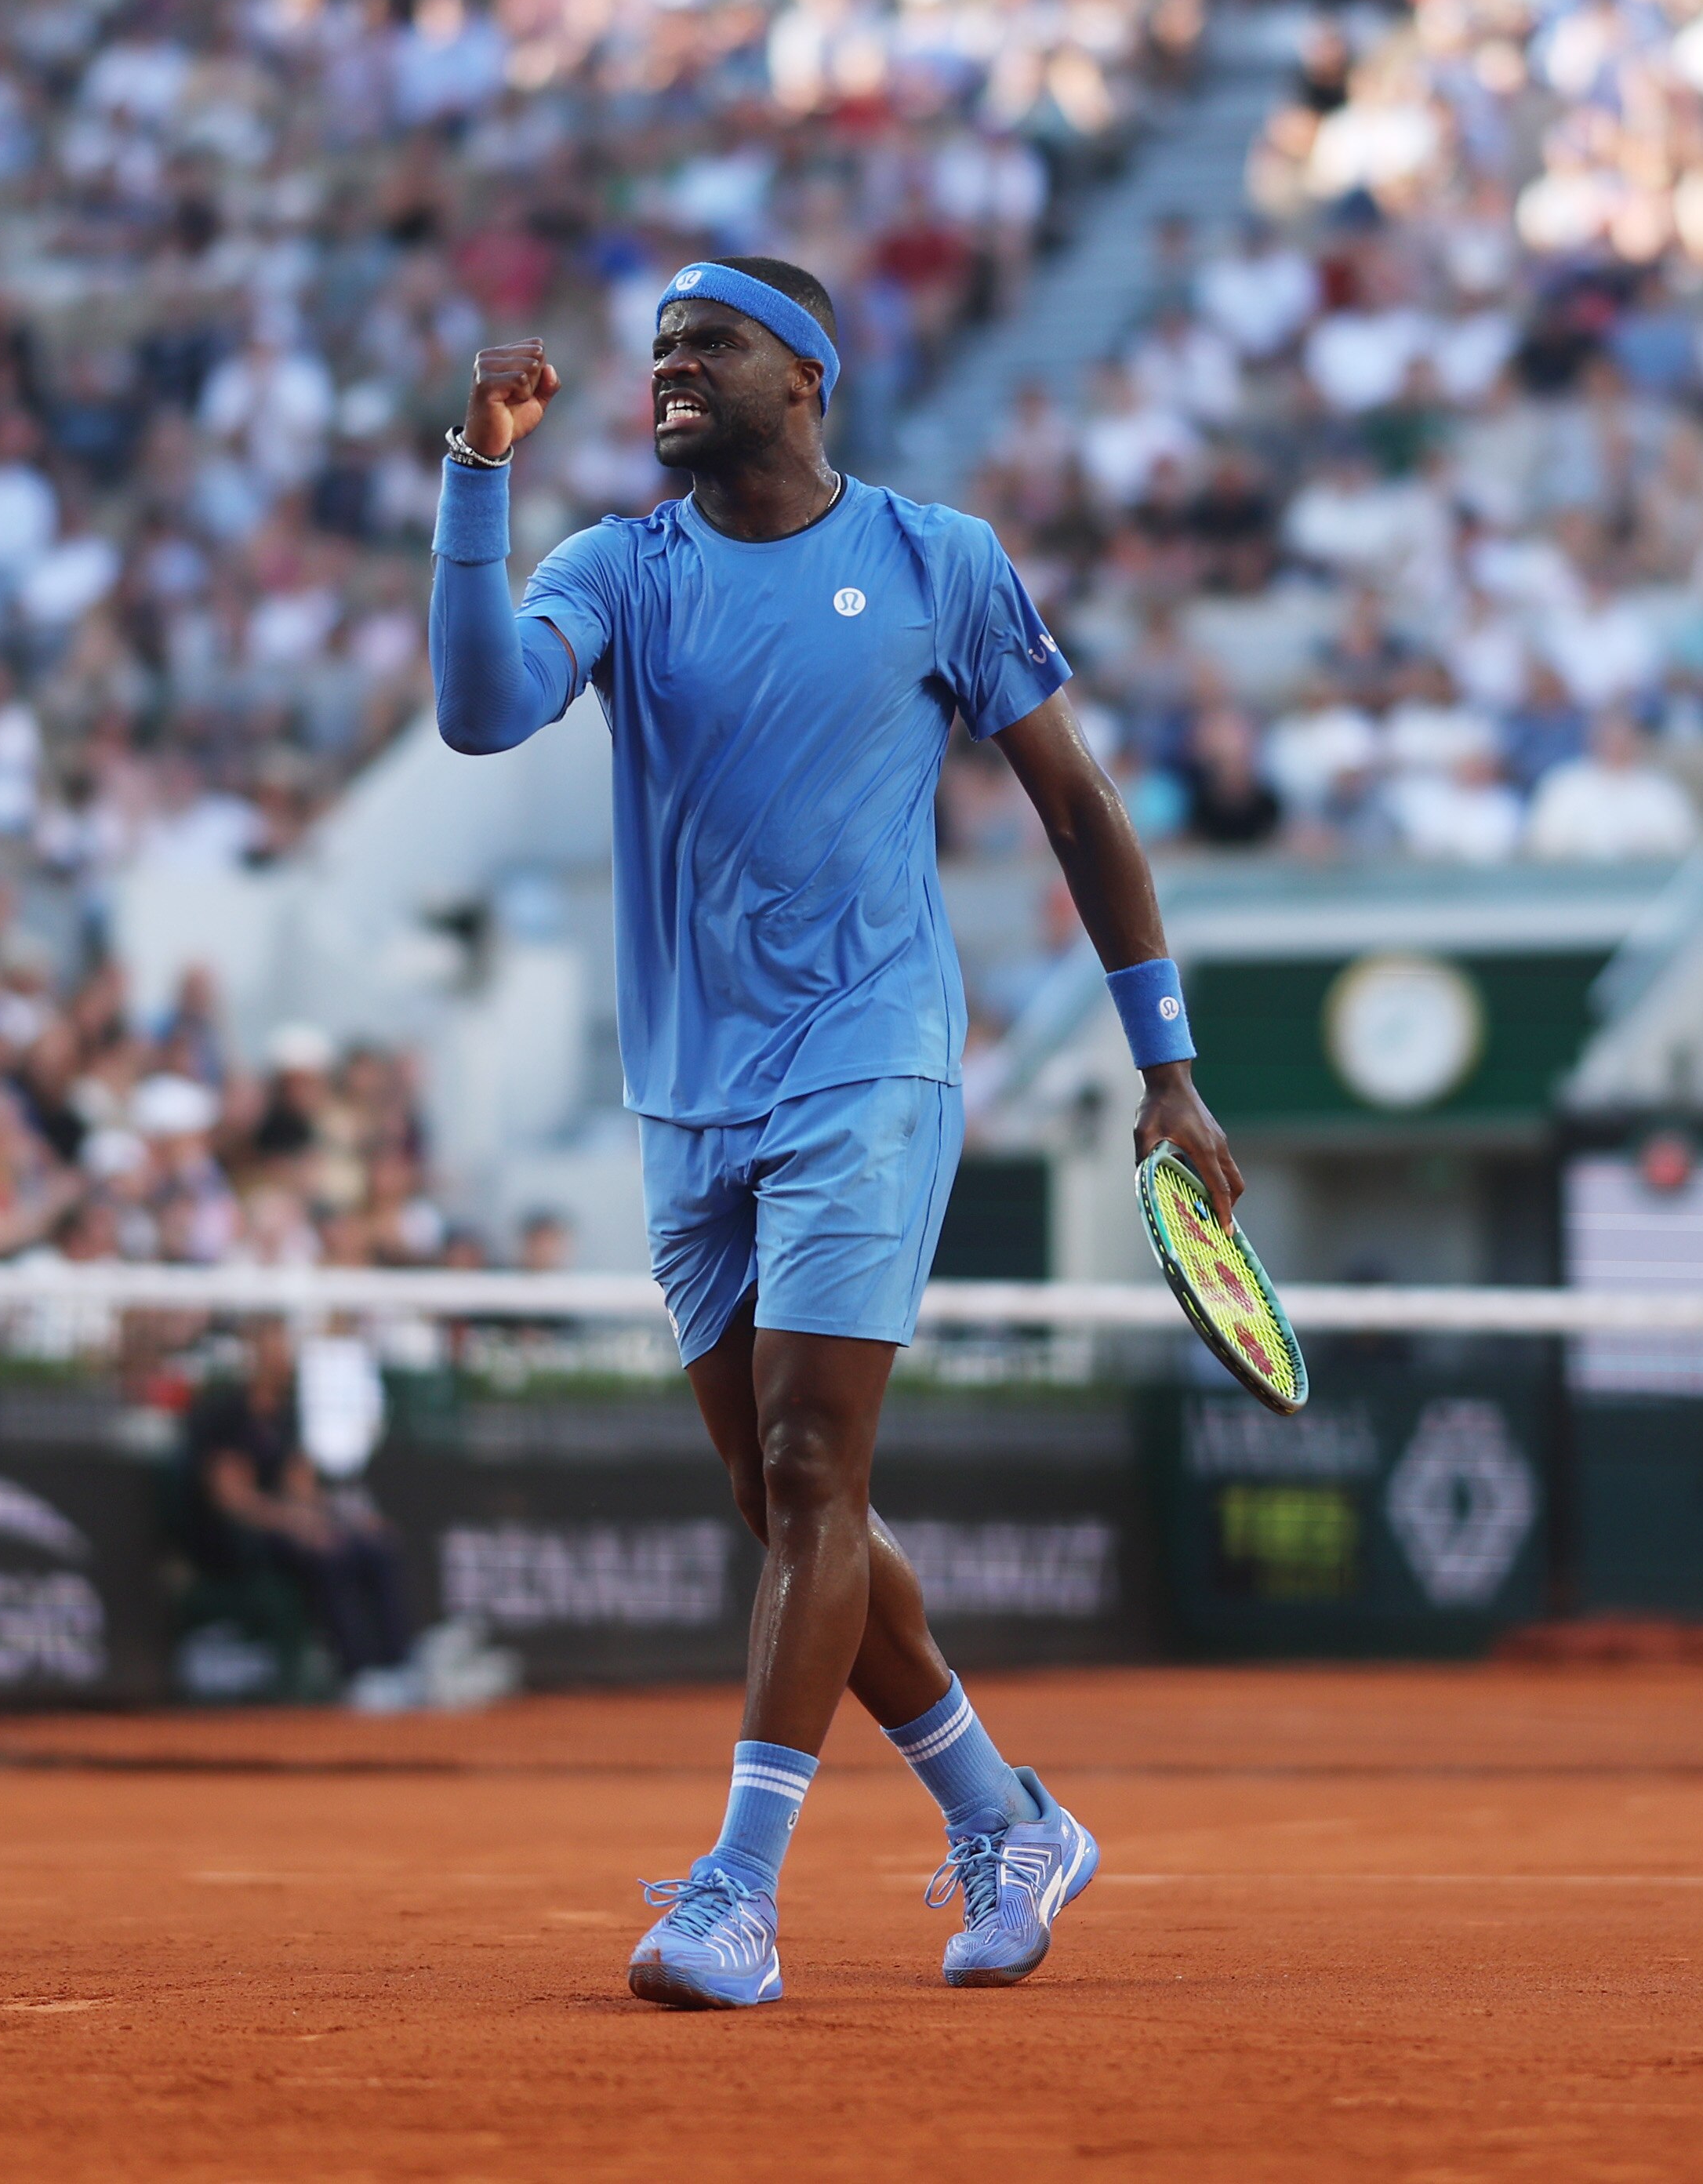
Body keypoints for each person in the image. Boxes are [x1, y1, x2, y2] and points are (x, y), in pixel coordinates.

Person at [427, 256, 1241, 2008]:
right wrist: (473, 472)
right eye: (655, 348)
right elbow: (481, 710)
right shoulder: (613, 569)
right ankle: (1002, 1813)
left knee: (809, 1468)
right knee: (779, 1493)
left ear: (804, 377)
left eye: (704, 345)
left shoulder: (937, 558)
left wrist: (1161, 1063)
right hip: (683, 1090)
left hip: (870, 1055)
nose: (665, 369)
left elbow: (1079, 807)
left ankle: (736, 1892)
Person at [182, 1320, 413, 1704]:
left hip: (287, 1528)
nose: (281, 1360)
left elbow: (300, 1488)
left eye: (285, 1350)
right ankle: (357, 1675)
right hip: (234, 1539)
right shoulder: (225, 1413)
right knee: (329, 1555)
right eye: (273, 1350)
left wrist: (347, 1520)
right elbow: (233, 1500)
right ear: (253, 1355)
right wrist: (299, 1525)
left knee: (375, 1546)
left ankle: (397, 1667)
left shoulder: (287, 1415)